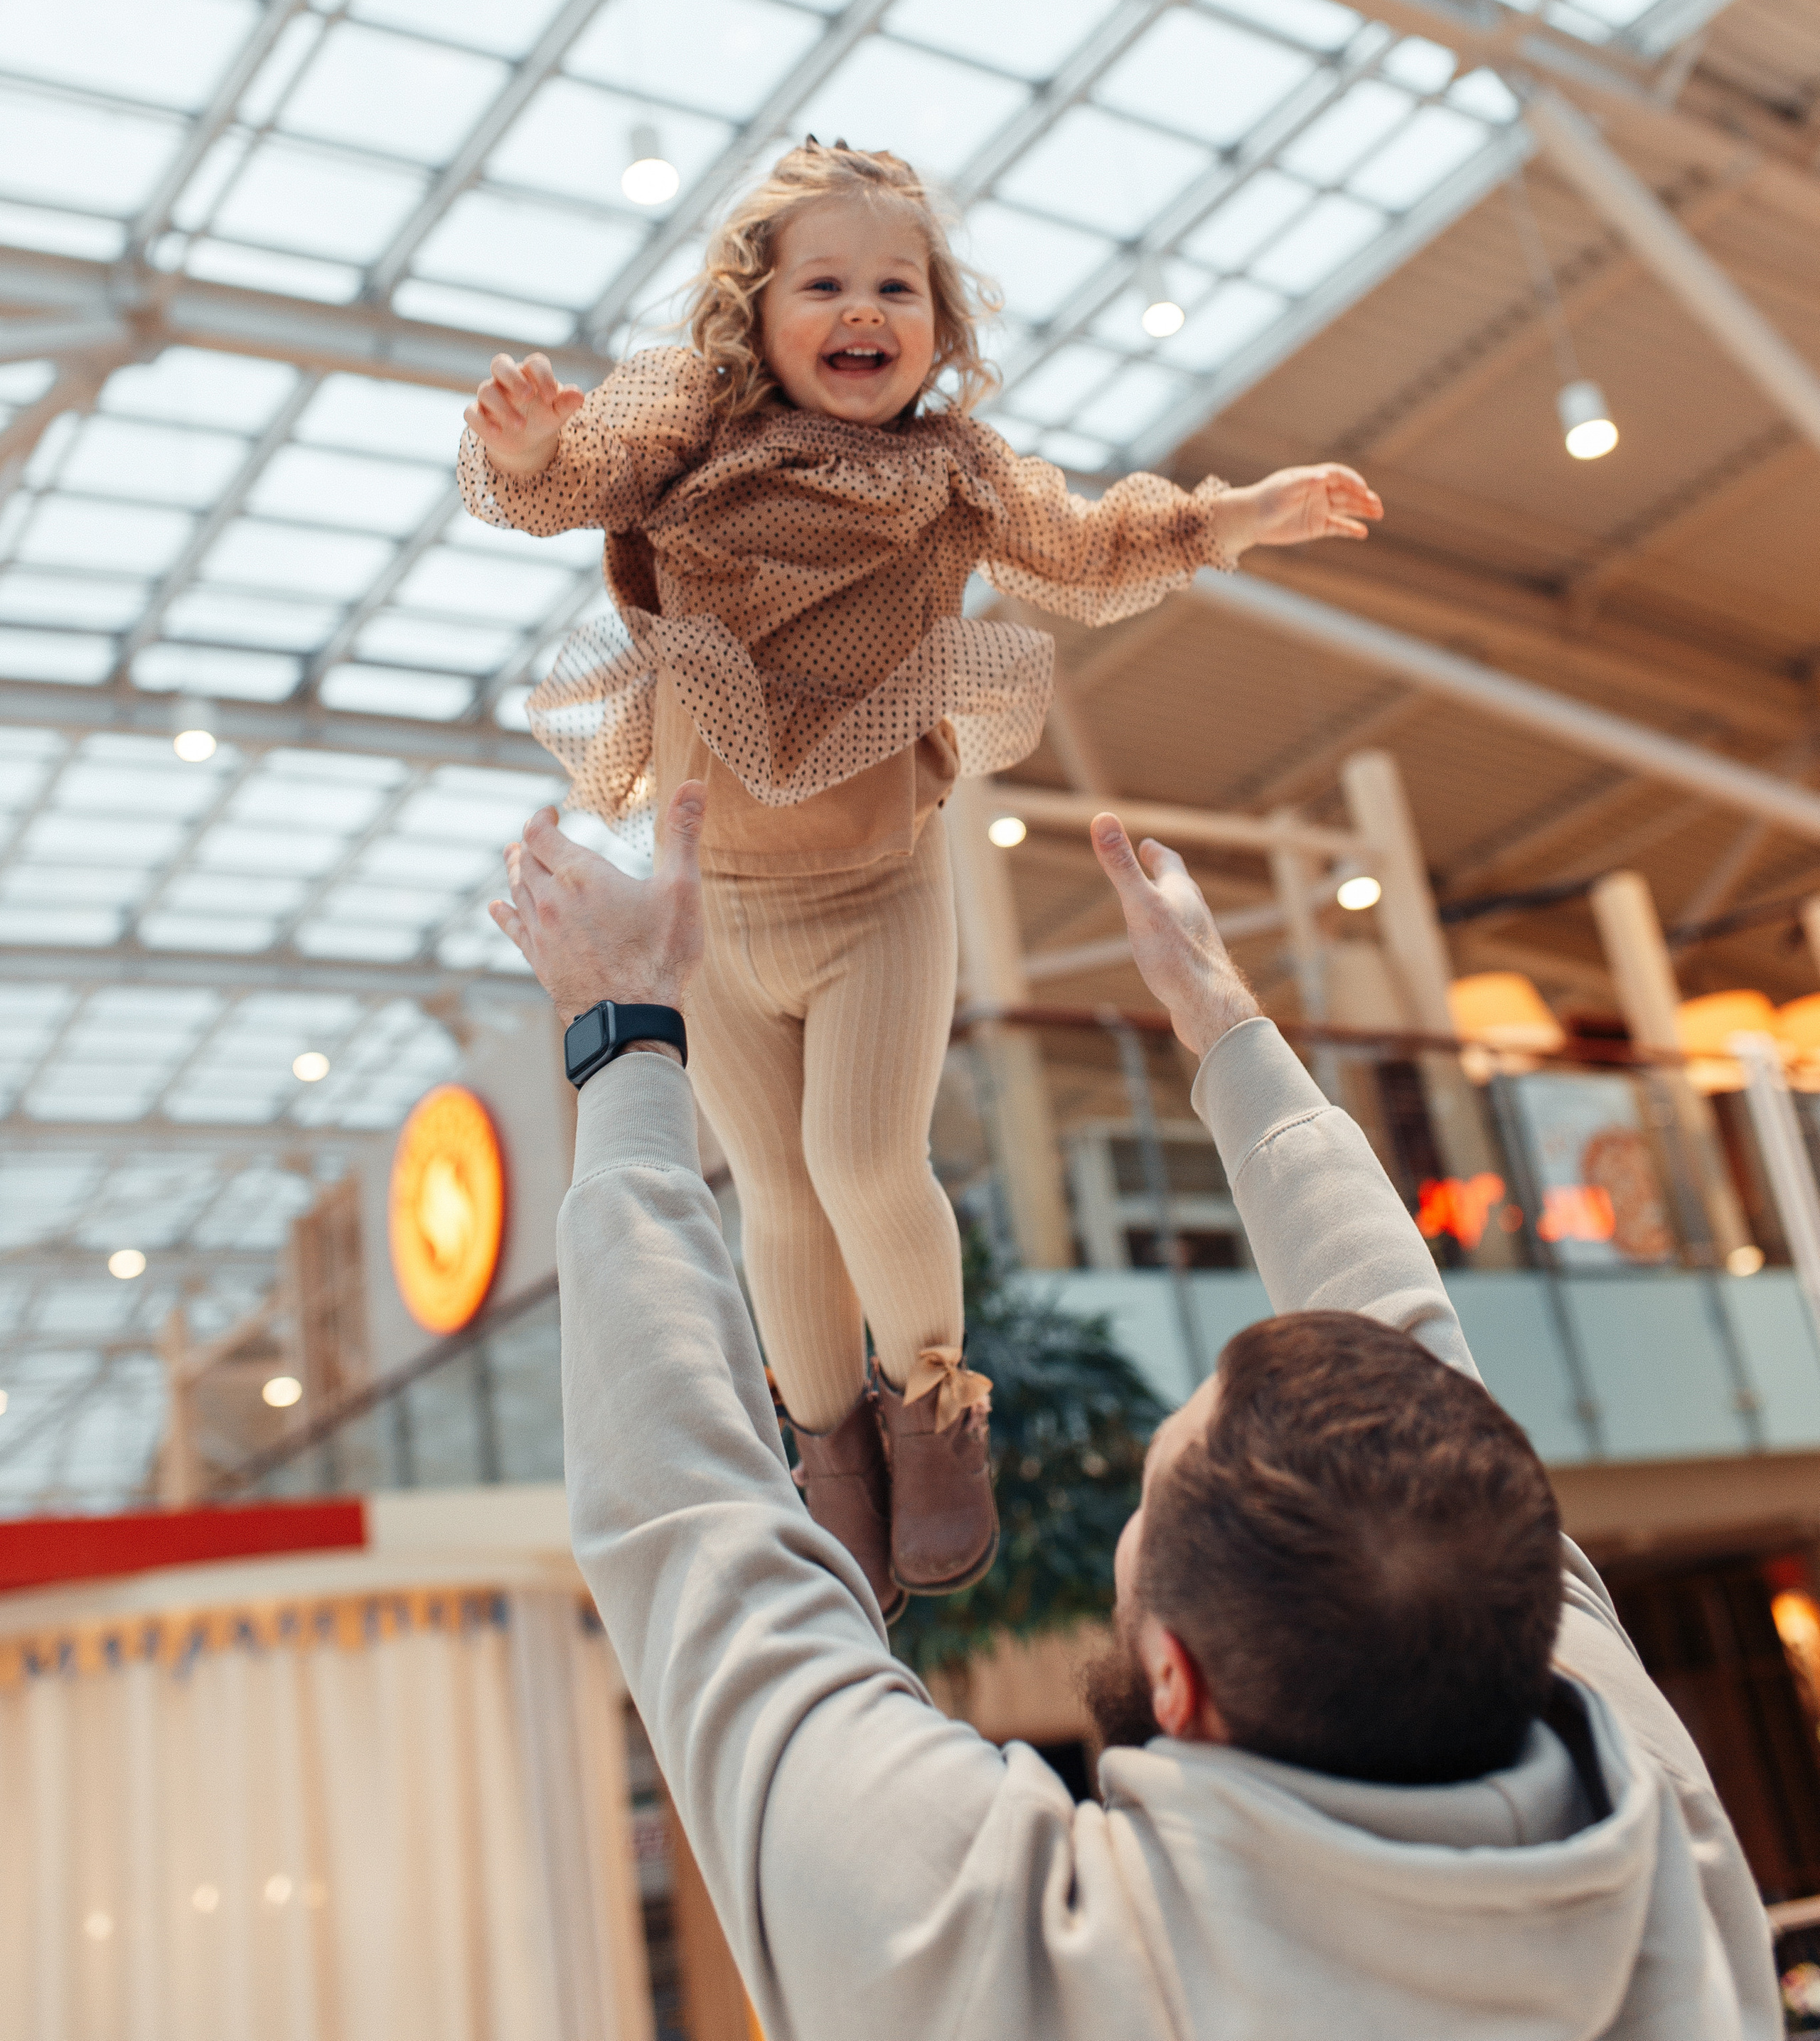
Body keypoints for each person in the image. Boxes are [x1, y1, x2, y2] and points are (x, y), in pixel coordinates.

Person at [493, 782, 1777, 2041]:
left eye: (1150, 1489)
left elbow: (689, 1522)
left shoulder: (1004, 1951)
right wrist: (1223, 1019)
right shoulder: (1666, 1840)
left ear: (1177, 1676)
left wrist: (622, 1025)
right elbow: (690, 1530)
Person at [459, 136, 1381, 1612]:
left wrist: (1239, 514)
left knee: (861, 1163)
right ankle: (827, 1451)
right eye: (822, 283)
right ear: (755, 315)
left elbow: (1087, 549)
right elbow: (576, 477)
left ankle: (934, 1408)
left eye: (896, 287)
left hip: (878, 889)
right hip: (712, 910)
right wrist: (523, 453)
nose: (861, 309)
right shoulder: (686, 427)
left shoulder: (954, 469)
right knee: (775, 1191)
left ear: (938, 325)